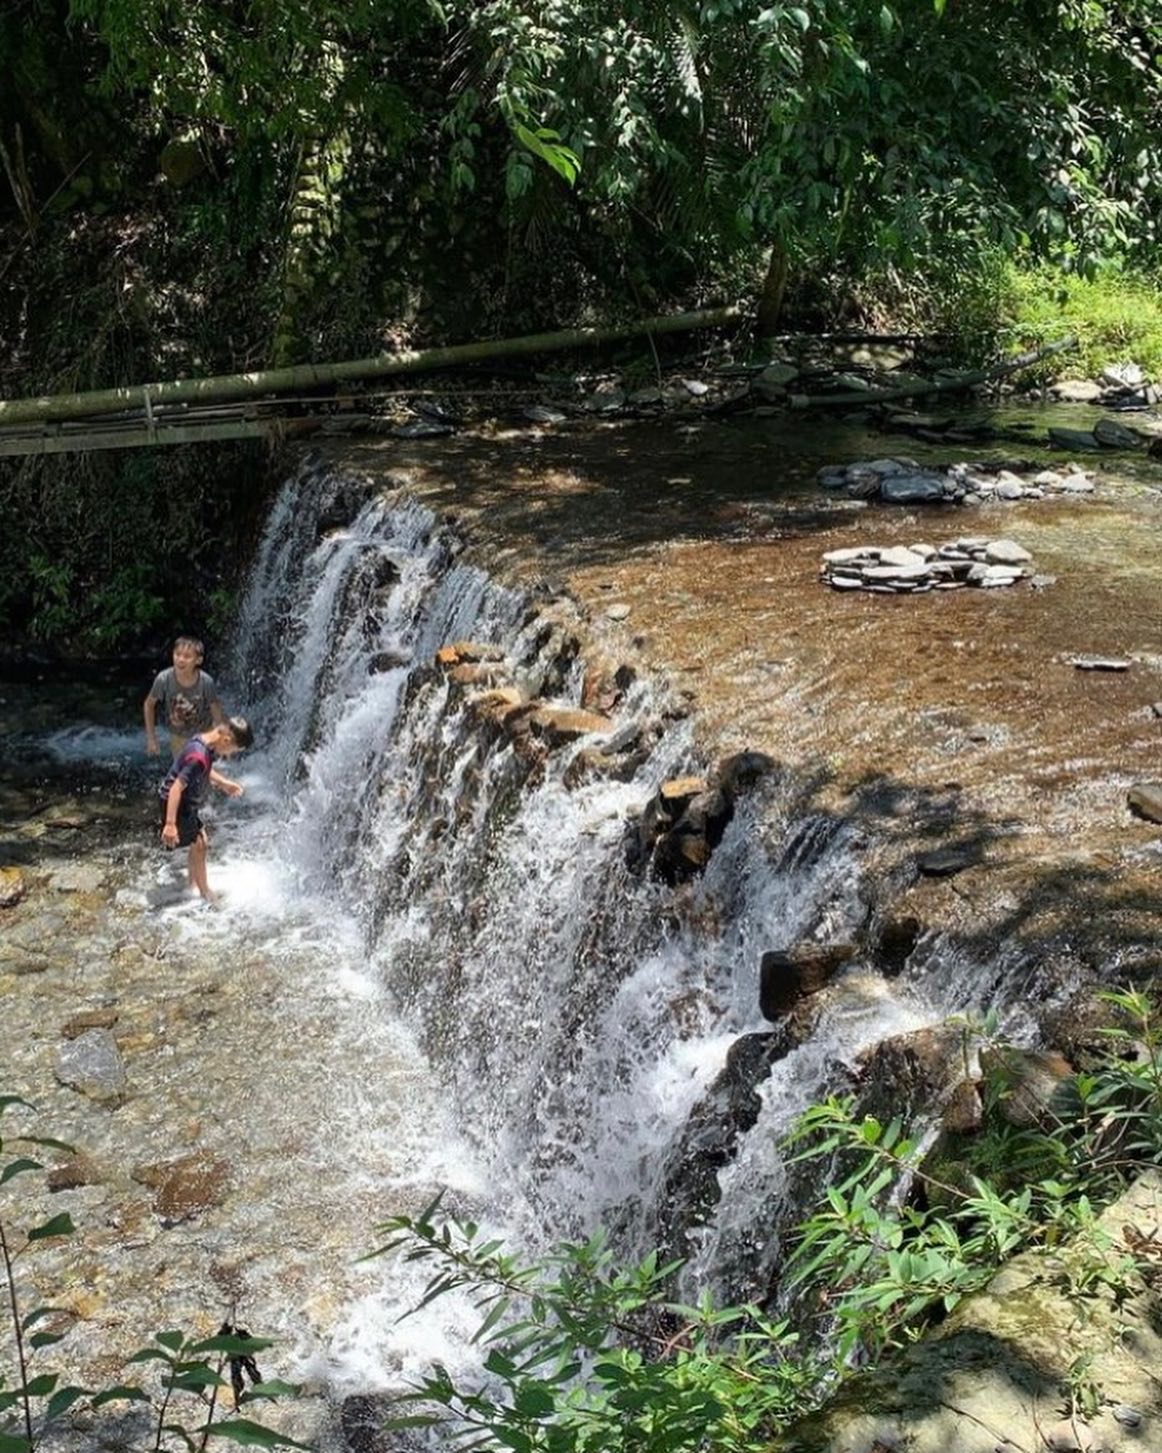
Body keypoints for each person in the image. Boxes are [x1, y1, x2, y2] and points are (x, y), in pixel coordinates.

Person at [158, 716, 254, 906]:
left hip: (183, 801)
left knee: (198, 842)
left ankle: (192, 885)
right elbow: (176, 788)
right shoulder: (199, 756)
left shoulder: (203, 742)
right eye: (232, 751)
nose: (229, 755)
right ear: (226, 740)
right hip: (176, 802)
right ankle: (204, 893)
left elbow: (203, 770)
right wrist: (170, 824)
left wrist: (224, 783)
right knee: (200, 843)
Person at [144, 636, 225, 758]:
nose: (181, 659)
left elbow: (216, 710)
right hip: (178, 736)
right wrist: (151, 738)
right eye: (177, 654)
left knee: (204, 768)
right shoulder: (164, 679)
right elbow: (149, 705)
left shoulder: (206, 682)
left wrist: (220, 737)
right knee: (184, 770)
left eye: (187, 657)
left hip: (204, 733)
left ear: (198, 660)